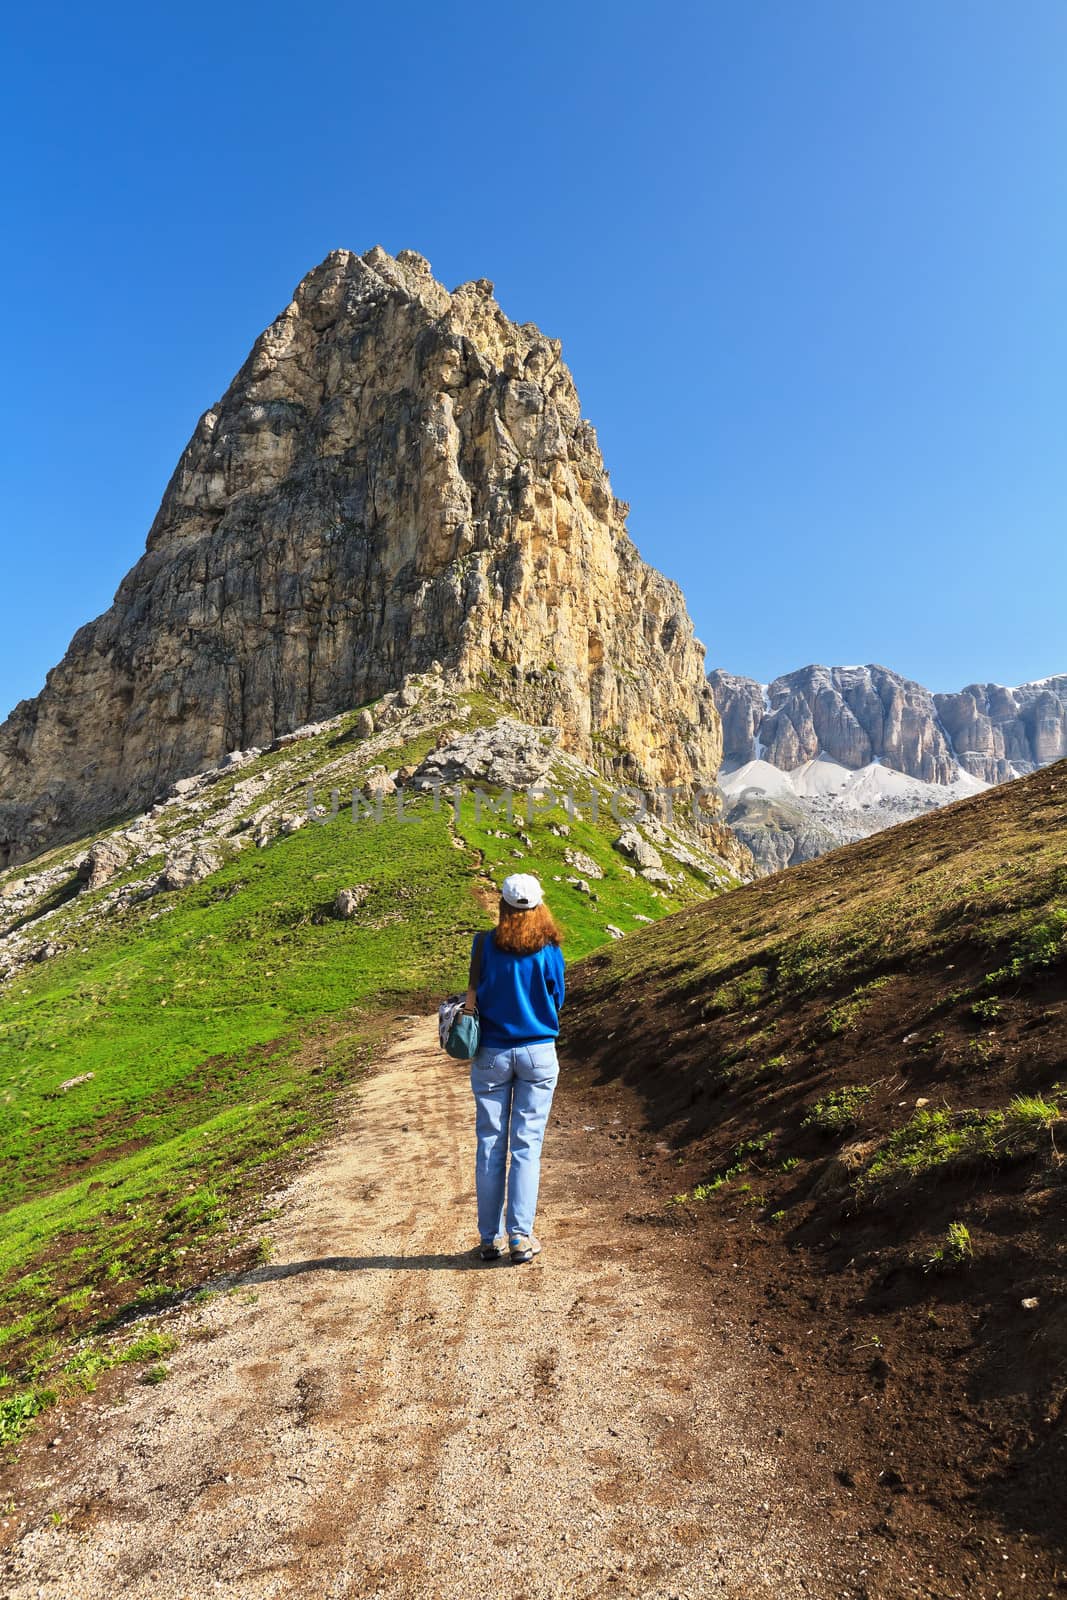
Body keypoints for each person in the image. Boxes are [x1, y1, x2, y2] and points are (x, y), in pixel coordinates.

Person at [463, 872, 565, 1265]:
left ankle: (490, 1240)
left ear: (502, 905)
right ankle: (520, 1237)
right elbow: (558, 998)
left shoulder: (483, 944)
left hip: (491, 1052)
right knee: (527, 1146)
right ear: (539, 905)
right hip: (538, 1051)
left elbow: (475, 990)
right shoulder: (550, 948)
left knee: (490, 1144)